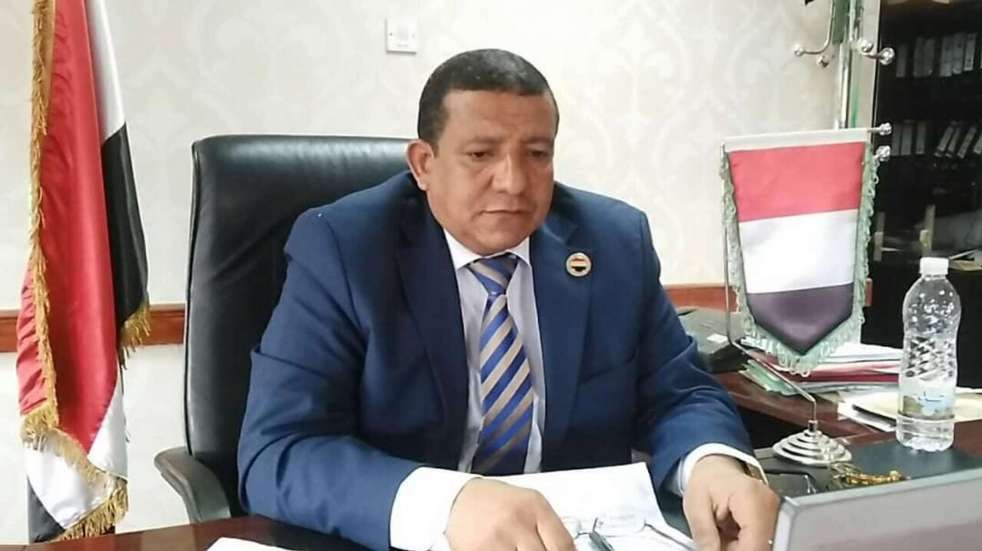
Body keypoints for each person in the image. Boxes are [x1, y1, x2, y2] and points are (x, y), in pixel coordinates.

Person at [238, 48, 779, 551]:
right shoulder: (344, 248)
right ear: (423, 164)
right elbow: (279, 450)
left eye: (537, 154)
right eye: (481, 154)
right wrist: (449, 502)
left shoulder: (613, 243)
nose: (515, 182)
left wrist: (710, 463)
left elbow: (678, 393)